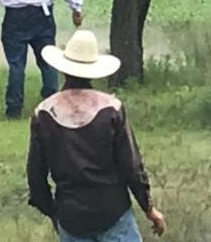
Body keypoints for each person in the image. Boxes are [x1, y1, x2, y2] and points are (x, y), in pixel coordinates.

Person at [27, 29, 167, 241]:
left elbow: (36, 176)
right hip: (113, 211)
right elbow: (131, 166)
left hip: (71, 215)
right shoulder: (111, 109)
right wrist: (149, 208)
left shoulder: (44, 113)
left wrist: (54, 213)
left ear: (64, 70)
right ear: (94, 70)